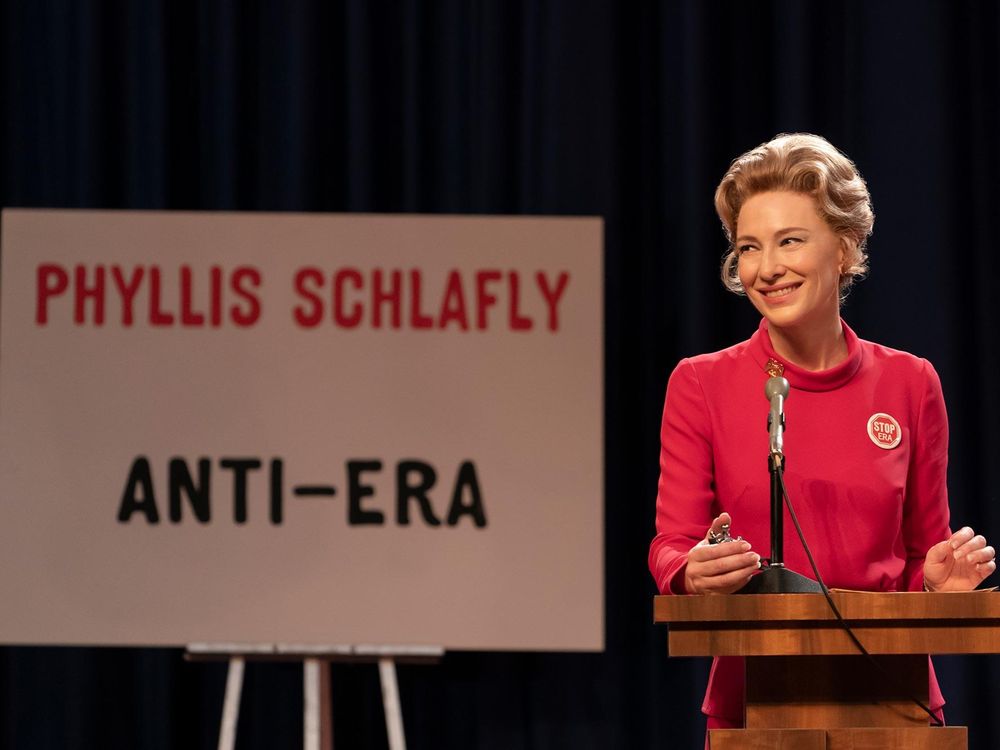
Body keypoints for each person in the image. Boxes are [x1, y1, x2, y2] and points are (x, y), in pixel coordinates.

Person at [647, 133, 996, 733]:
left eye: (789, 241)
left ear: (844, 249)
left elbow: (919, 562)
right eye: (748, 248)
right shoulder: (699, 384)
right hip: (755, 706)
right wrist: (689, 571)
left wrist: (941, 582)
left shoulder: (911, 383)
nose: (767, 268)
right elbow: (671, 547)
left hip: (895, 702)